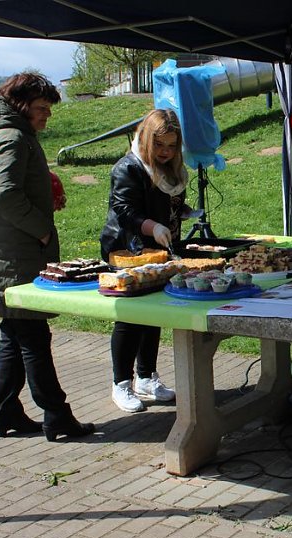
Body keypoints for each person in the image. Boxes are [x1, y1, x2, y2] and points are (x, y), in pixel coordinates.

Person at [0, 72, 94, 441]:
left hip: (4, 253)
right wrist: (41, 228)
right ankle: (57, 416)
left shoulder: (3, 133)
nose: (47, 116)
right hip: (14, 257)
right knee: (33, 337)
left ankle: (6, 413)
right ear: (21, 105)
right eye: (41, 108)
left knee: (16, 333)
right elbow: (6, 194)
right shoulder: (10, 137)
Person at [100, 109, 188, 412]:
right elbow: (124, 210)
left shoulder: (170, 171)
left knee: (153, 315)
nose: (166, 152)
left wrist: (181, 214)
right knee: (130, 317)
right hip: (127, 249)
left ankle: (147, 377)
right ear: (147, 141)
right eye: (161, 145)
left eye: (172, 146)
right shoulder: (127, 168)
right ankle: (120, 383)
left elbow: (168, 203)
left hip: (157, 247)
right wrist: (153, 226)